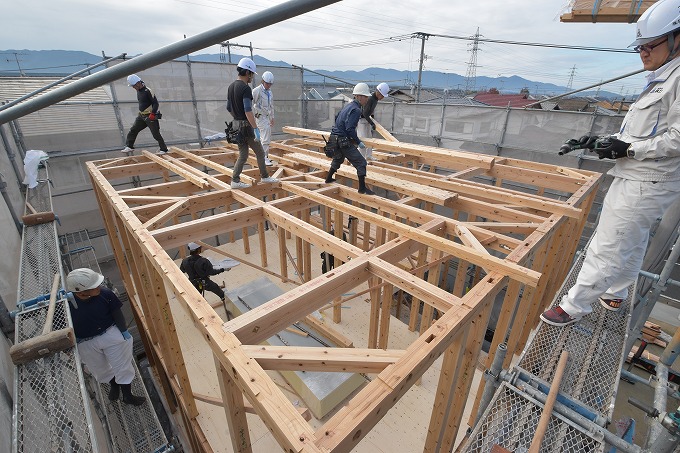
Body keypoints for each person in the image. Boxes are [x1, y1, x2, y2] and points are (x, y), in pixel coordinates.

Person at [540, 0, 680, 327]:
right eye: (640, 47)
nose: (643, 52)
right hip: (640, 175)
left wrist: (628, 149)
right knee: (632, 238)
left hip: (649, 179)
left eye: (650, 45)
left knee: (610, 242)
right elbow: (644, 130)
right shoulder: (664, 77)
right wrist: (605, 143)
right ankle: (616, 291)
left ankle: (573, 308)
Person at [66, 268, 145, 406]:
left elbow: (117, 314)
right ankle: (114, 384)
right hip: (85, 341)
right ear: (81, 291)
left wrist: (123, 331)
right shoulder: (66, 305)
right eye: (94, 286)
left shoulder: (105, 294)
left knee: (122, 365)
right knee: (99, 368)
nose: (99, 287)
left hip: (110, 333)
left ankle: (127, 395)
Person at [227, 58, 279, 189]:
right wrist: (255, 128)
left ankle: (235, 180)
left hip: (235, 125)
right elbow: (248, 110)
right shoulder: (245, 88)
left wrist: (237, 118)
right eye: (251, 74)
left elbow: (228, 107)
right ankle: (265, 176)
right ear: (246, 72)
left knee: (243, 154)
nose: (251, 77)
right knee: (260, 152)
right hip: (245, 126)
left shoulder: (231, 86)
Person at [324, 83, 376, 195]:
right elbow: (350, 129)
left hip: (334, 138)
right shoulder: (356, 110)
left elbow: (338, 118)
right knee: (361, 162)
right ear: (359, 96)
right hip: (342, 140)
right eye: (366, 97)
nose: (367, 99)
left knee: (338, 158)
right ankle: (362, 188)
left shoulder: (348, 106)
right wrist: (358, 142)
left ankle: (328, 178)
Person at [180, 242, 232, 319]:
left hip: (193, 283)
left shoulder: (185, 261)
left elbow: (182, 270)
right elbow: (212, 272)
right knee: (217, 289)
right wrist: (223, 269)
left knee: (197, 298)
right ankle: (224, 300)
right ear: (198, 250)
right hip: (205, 282)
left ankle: (196, 311)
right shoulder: (204, 261)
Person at [121, 74, 168, 155]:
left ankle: (163, 149)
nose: (133, 87)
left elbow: (155, 103)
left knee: (156, 134)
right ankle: (129, 146)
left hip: (150, 116)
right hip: (141, 116)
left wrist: (153, 114)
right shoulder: (139, 91)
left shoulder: (147, 91)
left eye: (134, 86)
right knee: (133, 130)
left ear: (138, 83)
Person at [356, 82, 389, 160]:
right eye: (382, 96)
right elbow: (364, 113)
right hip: (361, 121)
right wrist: (372, 123)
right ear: (378, 92)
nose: (383, 98)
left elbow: (370, 111)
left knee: (370, 139)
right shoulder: (371, 99)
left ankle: (368, 156)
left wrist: (372, 118)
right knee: (363, 140)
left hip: (366, 120)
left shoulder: (375, 99)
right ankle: (360, 159)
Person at [252, 71, 276, 166]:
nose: (268, 85)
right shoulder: (256, 91)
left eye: (270, 84)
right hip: (260, 117)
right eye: (267, 83)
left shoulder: (269, 92)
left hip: (266, 117)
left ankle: (264, 157)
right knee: (265, 138)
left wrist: (272, 117)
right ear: (263, 81)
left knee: (266, 137)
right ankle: (263, 158)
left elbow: (271, 106)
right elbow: (250, 104)